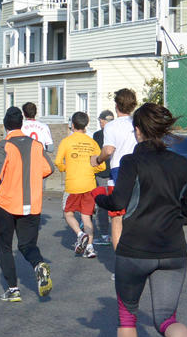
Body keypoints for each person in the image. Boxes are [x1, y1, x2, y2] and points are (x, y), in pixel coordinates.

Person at [95, 103, 187, 337]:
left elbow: (119, 200)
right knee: (165, 318)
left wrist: (100, 198)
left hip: (136, 249)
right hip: (173, 251)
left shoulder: (132, 161)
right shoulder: (182, 164)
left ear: (137, 131)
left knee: (127, 316)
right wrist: (174, 213)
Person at [0, 106, 54, 302]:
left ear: (6, 125)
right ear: (21, 124)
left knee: (4, 245)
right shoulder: (36, 145)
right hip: (32, 202)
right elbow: (48, 168)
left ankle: (13, 289)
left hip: (7, 202)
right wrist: (31, 175)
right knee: (27, 245)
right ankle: (39, 264)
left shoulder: (4, 145)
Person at [93, 88, 139, 249]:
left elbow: (108, 150)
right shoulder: (138, 123)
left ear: (116, 105)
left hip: (118, 170)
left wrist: (97, 160)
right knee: (136, 213)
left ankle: (120, 263)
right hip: (139, 168)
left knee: (117, 216)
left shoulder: (111, 126)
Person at [55, 112, 104, 259]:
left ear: (73, 125)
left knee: (68, 213)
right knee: (86, 217)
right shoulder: (92, 143)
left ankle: (80, 234)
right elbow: (101, 166)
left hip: (73, 185)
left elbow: (58, 162)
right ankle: (90, 248)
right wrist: (90, 169)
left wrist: (66, 168)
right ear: (86, 125)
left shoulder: (66, 142)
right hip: (89, 184)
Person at [91, 110, 115, 245]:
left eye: (100, 121)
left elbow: (97, 152)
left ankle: (105, 235)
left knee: (102, 205)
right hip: (117, 172)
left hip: (103, 173)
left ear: (104, 121)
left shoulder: (99, 135)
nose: (100, 123)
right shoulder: (119, 132)